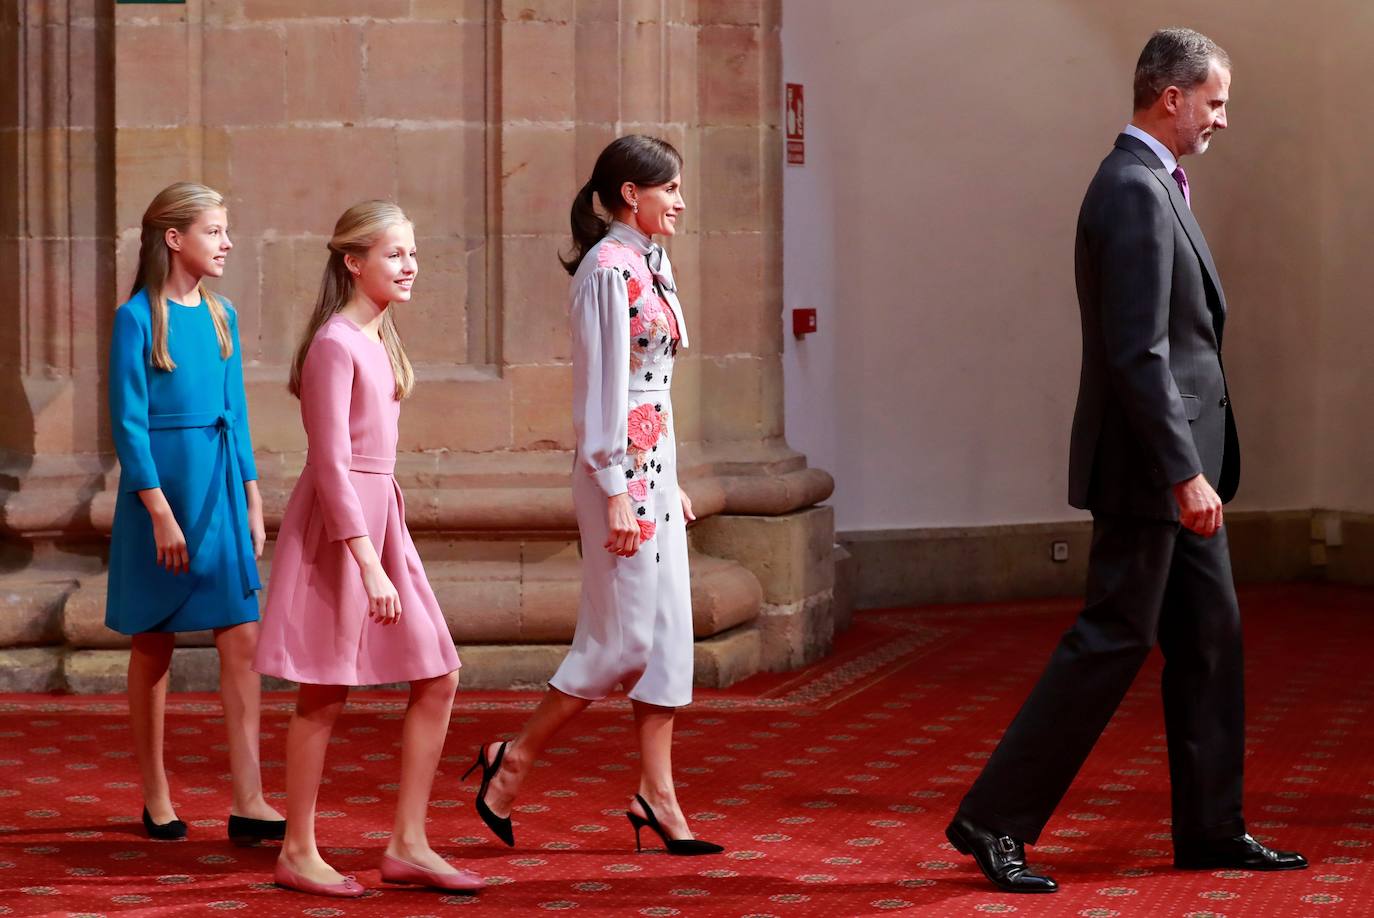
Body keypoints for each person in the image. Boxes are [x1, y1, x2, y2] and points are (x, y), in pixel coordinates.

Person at [945, 28, 1307, 893]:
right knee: (1111, 641)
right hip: (1156, 470)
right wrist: (1184, 471)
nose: (1223, 120)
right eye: (1214, 102)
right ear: (1171, 98)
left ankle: (1213, 829)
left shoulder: (1154, 185)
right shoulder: (1133, 190)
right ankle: (991, 820)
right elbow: (1136, 352)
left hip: (1182, 465)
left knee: (1211, 641)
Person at [465, 135, 722, 857]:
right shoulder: (608, 270)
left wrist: (669, 480)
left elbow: (658, 389)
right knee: (623, 642)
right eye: (669, 187)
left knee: (669, 635)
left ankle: (658, 797)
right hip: (615, 471)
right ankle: (512, 758)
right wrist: (615, 488)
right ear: (631, 194)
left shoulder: (653, 261)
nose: (680, 200)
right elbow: (602, 390)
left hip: (653, 466)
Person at [253, 201, 481, 898]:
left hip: (383, 521)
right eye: (394, 254)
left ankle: (408, 843)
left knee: (438, 672)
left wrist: (386, 547)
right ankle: (297, 850)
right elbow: (329, 464)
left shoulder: (381, 340)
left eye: (413, 253)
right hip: (342, 529)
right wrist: (367, 559)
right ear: (354, 262)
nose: (409, 266)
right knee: (324, 690)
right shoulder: (334, 344)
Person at [106, 182, 284, 846]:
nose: (228, 243)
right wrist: (156, 508)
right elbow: (127, 422)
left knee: (241, 640)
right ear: (175, 238)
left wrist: (253, 495)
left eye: (227, 230)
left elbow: (234, 412)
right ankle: (155, 794)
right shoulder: (136, 318)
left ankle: (250, 798)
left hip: (220, 491)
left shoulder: (221, 315)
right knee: (153, 644)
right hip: (161, 498)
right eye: (215, 231)